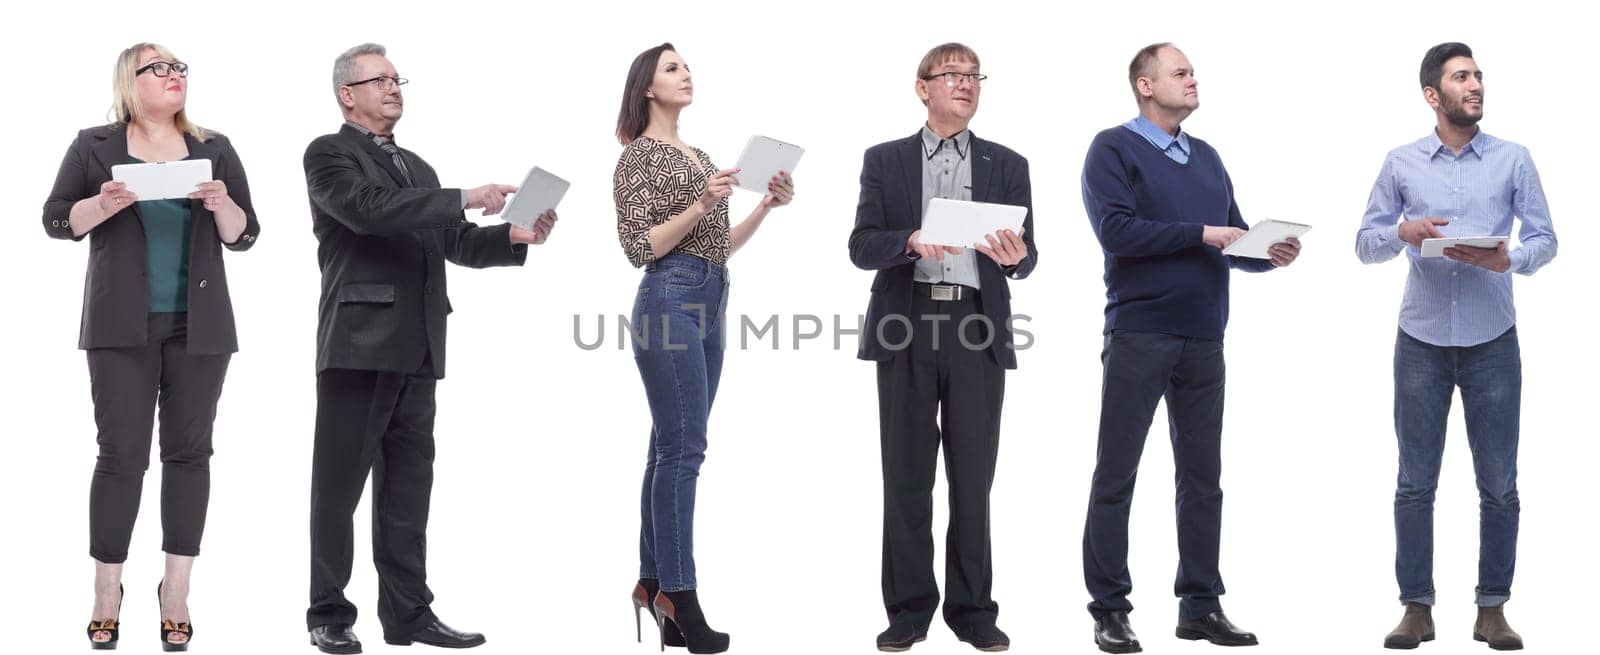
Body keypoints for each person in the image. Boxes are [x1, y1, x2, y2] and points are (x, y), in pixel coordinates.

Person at [302, 43, 556, 655]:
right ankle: (329, 614)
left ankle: (409, 615)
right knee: (338, 489)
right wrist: (463, 194)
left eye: (398, 78)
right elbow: (367, 211)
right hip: (358, 346)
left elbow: (455, 241)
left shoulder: (415, 164)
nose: (394, 87)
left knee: (409, 491)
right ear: (347, 93)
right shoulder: (329, 154)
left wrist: (513, 236)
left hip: (419, 347)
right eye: (380, 79)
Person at [1078, 42, 1301, 654]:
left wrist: (1267, 253)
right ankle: (1110, 609)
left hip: (1206, 336)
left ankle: (1200, 605)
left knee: (1203, 478)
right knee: (1116, 474)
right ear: (1146, 86)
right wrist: (1201, 233)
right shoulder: (1112, 148)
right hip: (1139, 333)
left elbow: (1231, 239)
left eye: (1193, 71)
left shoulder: (1206, 156)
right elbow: (1116, 231)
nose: (1192, 79)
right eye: (1180, 72)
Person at [43, 41, 260, 652]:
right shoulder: (94, 145)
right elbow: (56, 219)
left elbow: (247, 235)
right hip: (120, 326)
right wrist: (101, 202)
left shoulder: (214, 146)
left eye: (180, 68)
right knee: (120, 457)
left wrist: (223, 206)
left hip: (201, 324)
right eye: (160, 68)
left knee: (190, 455)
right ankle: (107, 591)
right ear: (129, 80)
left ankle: (175, 592)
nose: (174, 77)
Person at [1357, 42, 1556, 652]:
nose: (1474, 85)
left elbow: (1546, 239)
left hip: (1493, 340)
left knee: (1500, 483)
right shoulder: (1400, 163)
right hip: (1420, 340)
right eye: (1460, 77)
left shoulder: (1514, 160)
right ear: (1431, 94)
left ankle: (1491, 609)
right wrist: (1402, 232)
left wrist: (1510, 258)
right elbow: (1365, 243)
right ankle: (1416, 608)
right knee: (1415, 482)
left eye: (1477, 76)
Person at [848, 42, 1036, 653]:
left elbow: (1029, 256)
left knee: (972, 477)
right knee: (905, 474)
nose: (964, 83)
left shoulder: (1008, 162)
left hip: (976, 326)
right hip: (907, 321)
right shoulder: (886, 160)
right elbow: (860, 245)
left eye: (972, 75)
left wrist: (1017, 259)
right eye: (950, 74)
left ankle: (973, 610)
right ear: (921, 87)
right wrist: (908, 239)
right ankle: (908, 610)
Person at [613, 42, 795, 655]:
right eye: (671, 68)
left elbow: (716, 245)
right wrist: (701, 201)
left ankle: (651, 581)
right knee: (685, 451)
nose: (685, 74)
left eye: (686, 66)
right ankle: (681, 597)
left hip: (710, 294)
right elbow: (642, 247)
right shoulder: (639, 157)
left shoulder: (698, 152)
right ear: (646, 87)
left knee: (667, 449)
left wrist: (763, 207)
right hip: (667, 300)